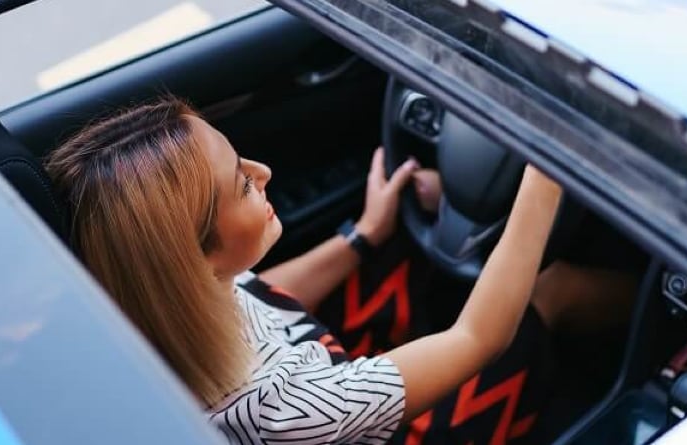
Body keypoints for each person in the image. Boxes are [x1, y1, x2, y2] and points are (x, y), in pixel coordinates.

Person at [45, 97, 625, 444]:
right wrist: (549, 168)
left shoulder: (149, 307)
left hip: (328, 367)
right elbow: (479, 337)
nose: (263, 170)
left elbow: (265, 294)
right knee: (549, 293)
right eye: (242, 184)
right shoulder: (287, 414)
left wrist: (364, 237)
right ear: (193, 259)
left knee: (402, 256)